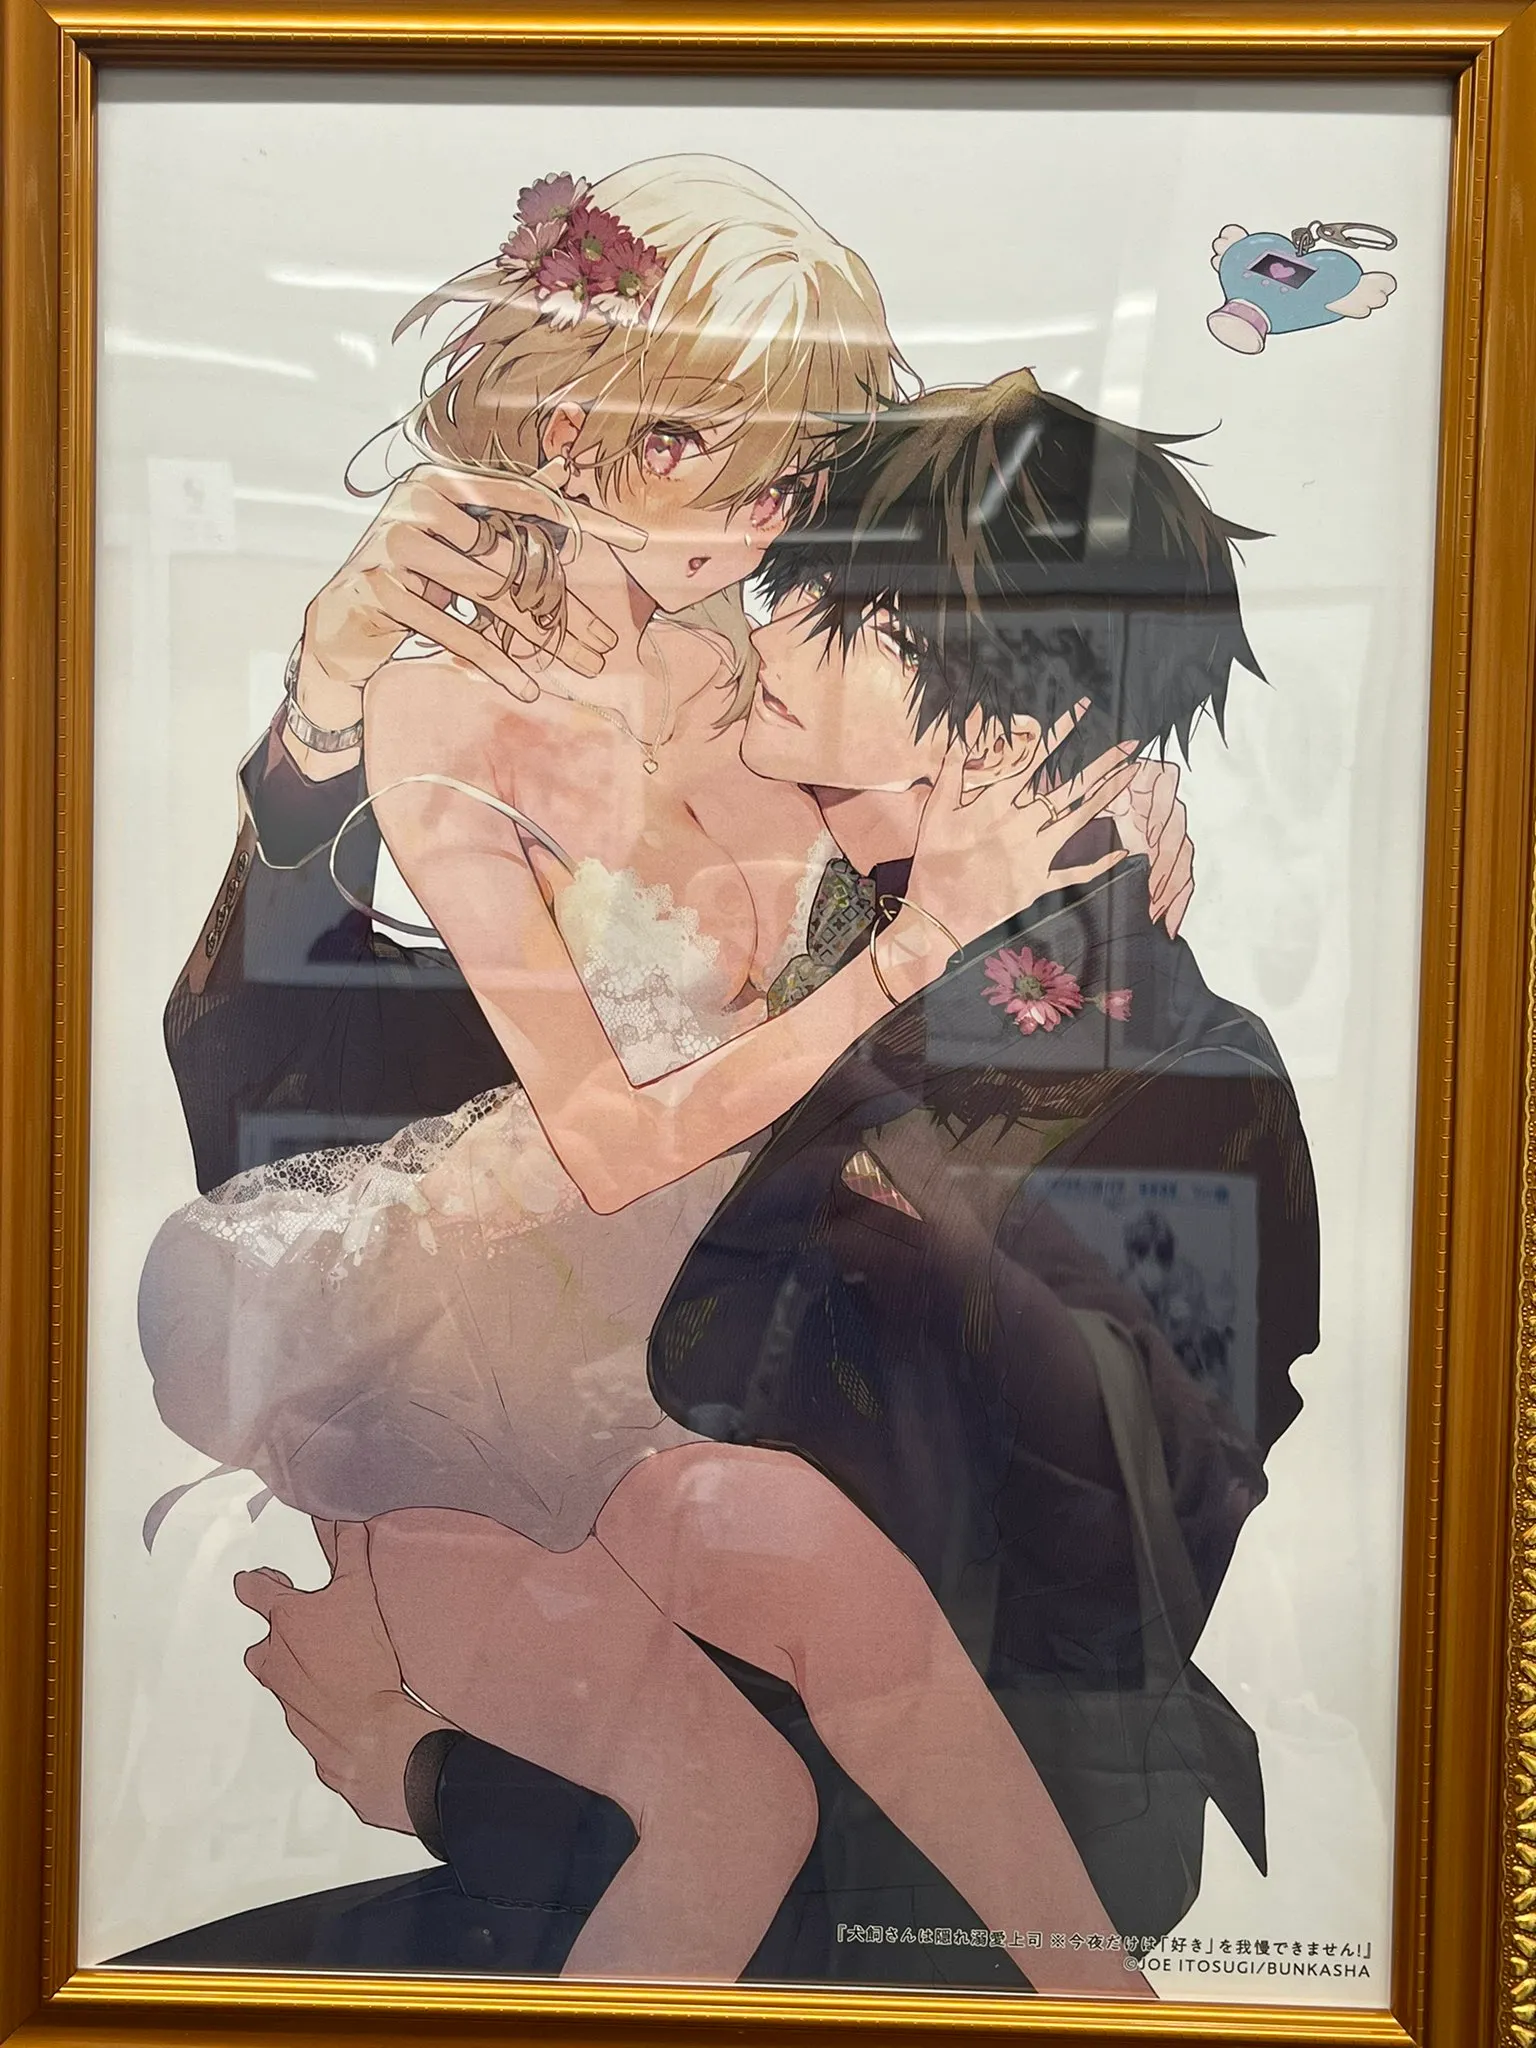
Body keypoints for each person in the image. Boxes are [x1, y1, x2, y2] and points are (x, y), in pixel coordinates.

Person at [131, 368, 1310, 1985]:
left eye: (828, 607)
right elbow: (304, 1112)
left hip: (895, 1926)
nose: (763, 630)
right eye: (782, 579)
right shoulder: (780, 879)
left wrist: (447, 1775)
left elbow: (1085, 1611)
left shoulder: (1158, 1071)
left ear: (1006, 731)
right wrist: (324, 722)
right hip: (608, 1813)